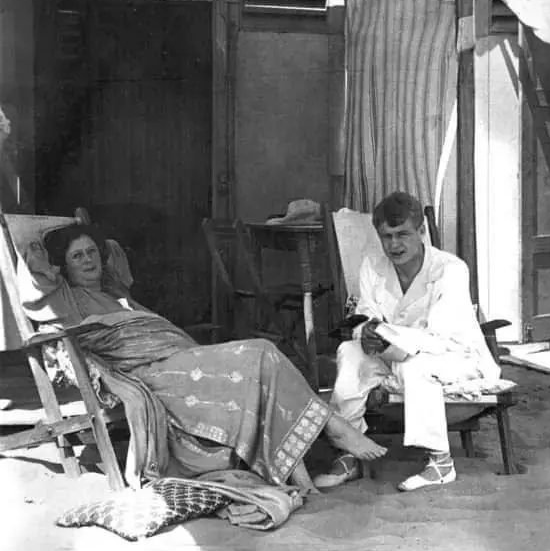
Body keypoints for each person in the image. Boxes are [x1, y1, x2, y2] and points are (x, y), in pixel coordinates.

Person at [16, 223, 386, 490]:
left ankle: (323, 438)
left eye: (91, 252)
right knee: (259, 352)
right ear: (63, 266)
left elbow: (113, 248)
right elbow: (33, 268)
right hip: (149, 370)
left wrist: (88, 239)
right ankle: (335, 430)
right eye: (76, 256)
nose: (88, 260)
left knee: (263, 354)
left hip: (175, 357)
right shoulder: (67, 298)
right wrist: (49, 257)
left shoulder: (116, 291)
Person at [314, 191, 501, 492]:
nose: (394, 245)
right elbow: (365, 313)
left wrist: (387, 336)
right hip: (394, 353)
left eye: (402, 234)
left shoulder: (450, 269)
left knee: (416, 365)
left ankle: (441, 463)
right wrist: (366, 332)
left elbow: (440, 334)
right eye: (386, 236)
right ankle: (349, 451)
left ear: (421, 231)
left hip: (454, 357)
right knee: (349, 351)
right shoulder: (373, 266)